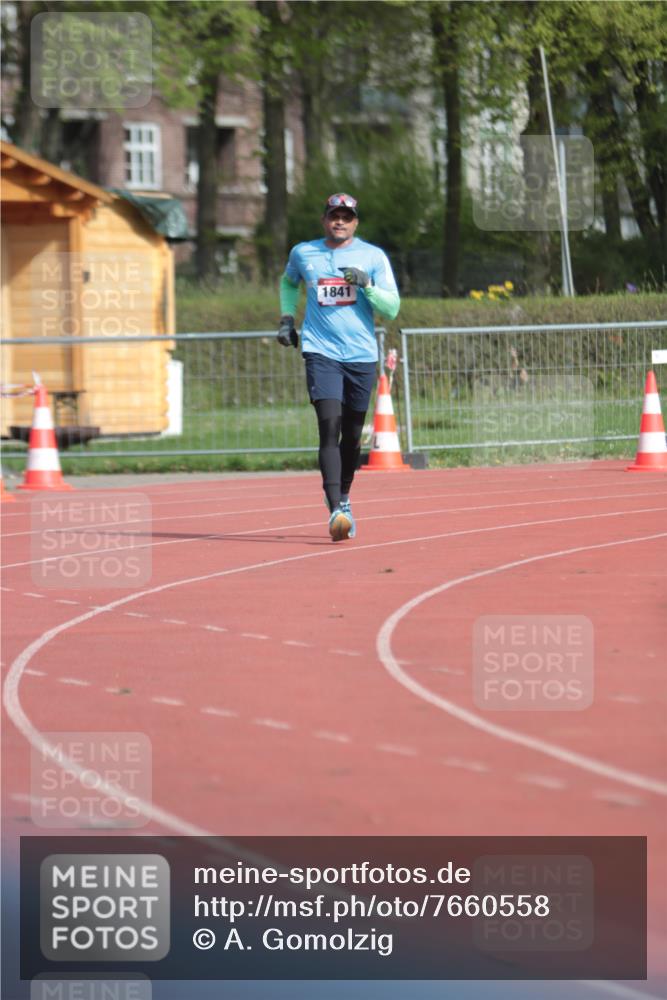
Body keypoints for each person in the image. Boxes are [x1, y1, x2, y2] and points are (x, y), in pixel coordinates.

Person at [277, 192, 400, 541]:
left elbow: (391, 310)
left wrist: (367, 285)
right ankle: (335, 509)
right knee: (329, 425)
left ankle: (344, 497)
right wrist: (287, 318)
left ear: (355, 222)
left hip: (361, 356)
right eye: (334, 215)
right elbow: (288, 282)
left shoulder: (373, 257)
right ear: (325, 219)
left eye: (347, 216)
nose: (340, 221)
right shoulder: (304, 252)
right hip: (321, 352)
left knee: (351, 437)